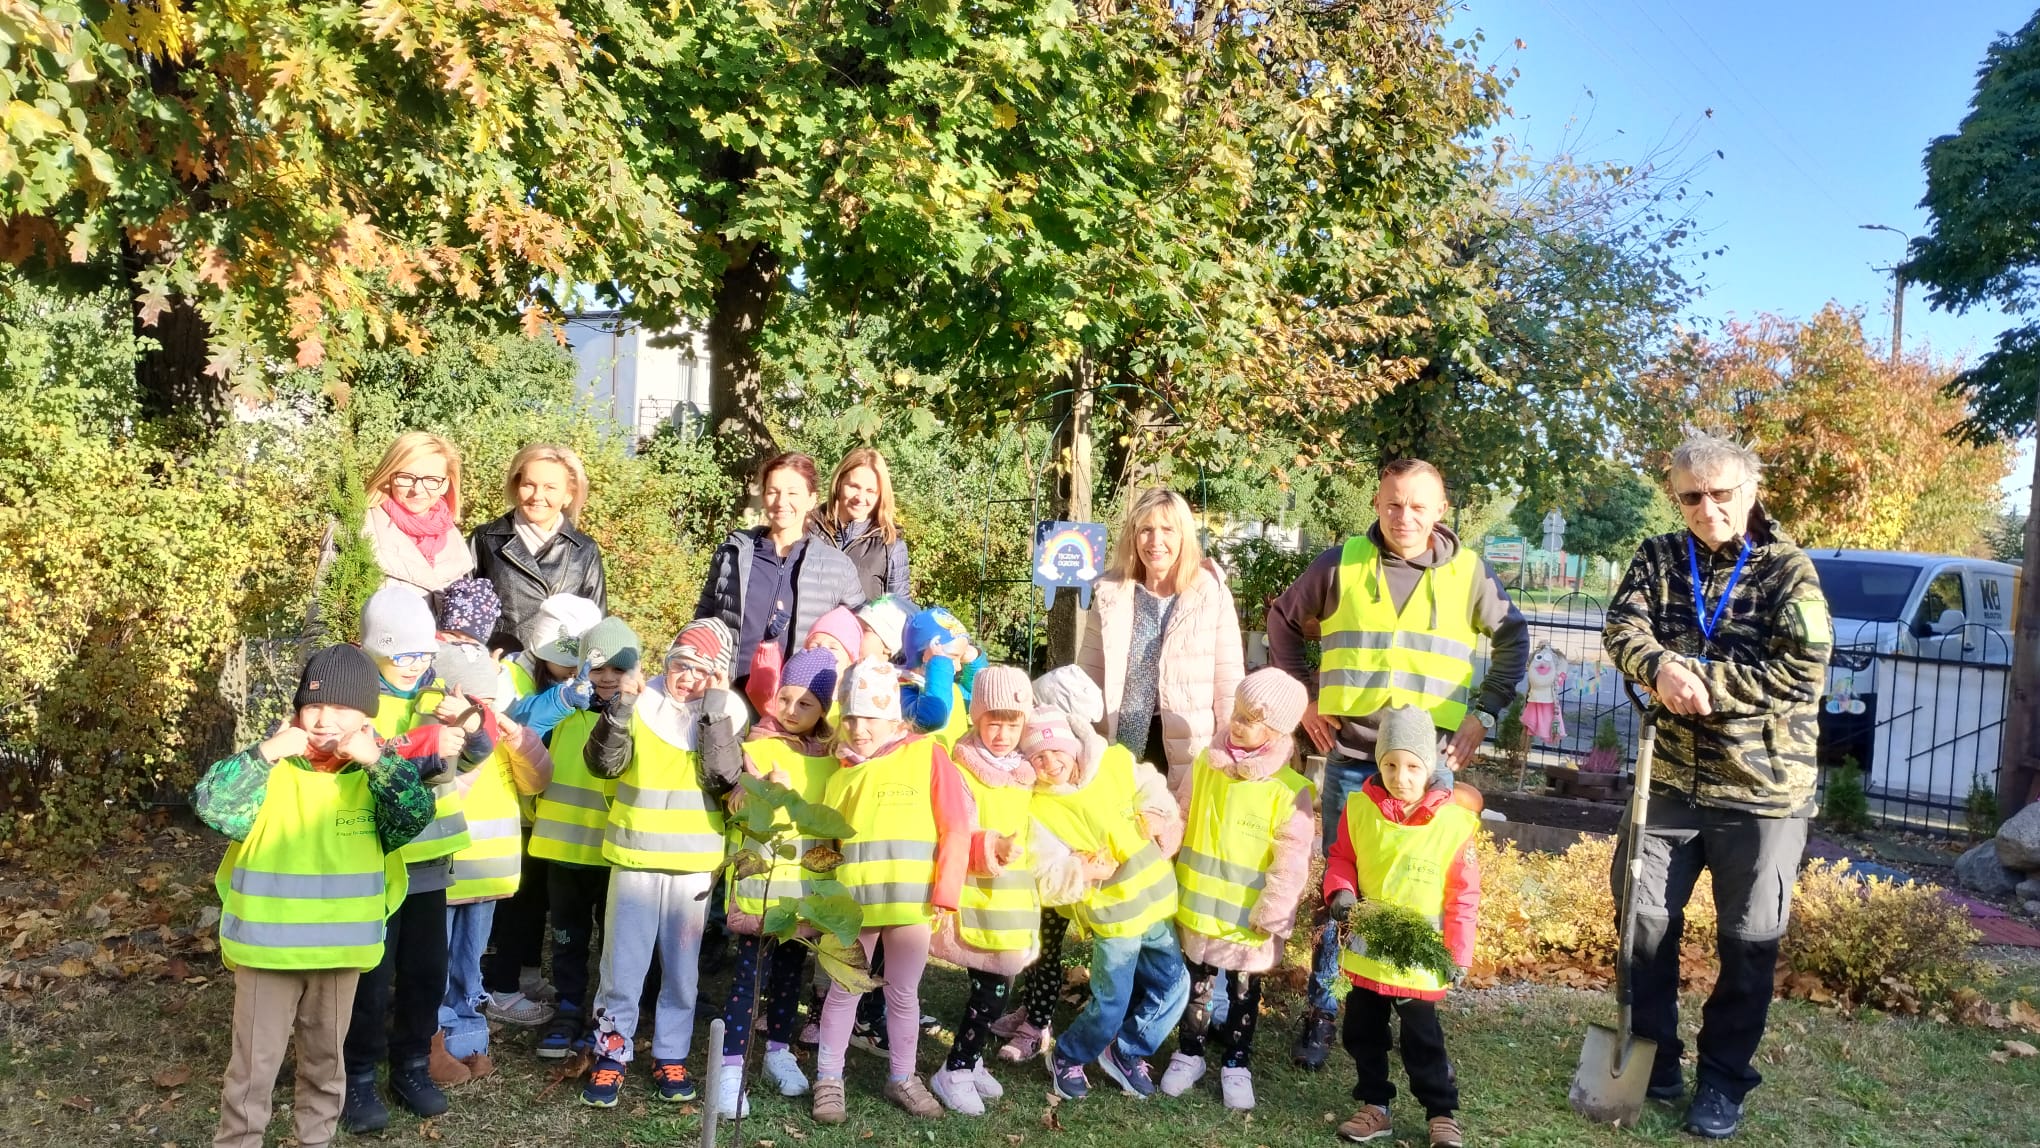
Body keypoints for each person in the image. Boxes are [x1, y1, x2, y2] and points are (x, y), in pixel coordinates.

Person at [1601, 432, 1830, 1140]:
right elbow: (1620, 626)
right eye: (1690, 496)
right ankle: (1654, 1059)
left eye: (1721, 493)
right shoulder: (1659, 557)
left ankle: (1723, 1082)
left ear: (1751, 490)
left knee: (1749, 940)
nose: (1706, 509)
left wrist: (1704, 683)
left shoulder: (1789, 571)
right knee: (1642, 924)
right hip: (1668, 781)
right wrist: (1657, 667)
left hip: (1762, 794)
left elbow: (1804, 674)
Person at [1268, 458, 1526, 1070]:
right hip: (1355, 759)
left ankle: (1414, 999)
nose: (1403, 517)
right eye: (1392, 504)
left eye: (1417, 506)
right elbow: (1282, 620)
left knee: (1420, 888)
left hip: (1429, 768)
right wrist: (1303, 696)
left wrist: (1483, 714)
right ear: (1377, 504)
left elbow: (1513, 638)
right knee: (1343, 887)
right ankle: (1324, 1008)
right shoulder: (1339, 564)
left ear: (1441, 511)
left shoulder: (1468, 573)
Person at [196, 645, 434, 1148]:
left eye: (342, 709)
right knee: (253, 1070)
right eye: (314, 706)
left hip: (339, 956)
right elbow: (213, 807)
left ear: (366, 717)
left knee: (327, 1063)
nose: (324, 720)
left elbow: (414, 814)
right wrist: (267, 752)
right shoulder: (270, 773)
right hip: (266, 954)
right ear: (297, 710)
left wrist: (379, 762)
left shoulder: (374, 779)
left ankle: (315, 1140)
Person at [579, 619, 748, 1107]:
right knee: (622, 966)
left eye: (701, 671)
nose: (687, 678)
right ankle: (611, 1053)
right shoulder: (640, 704)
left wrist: (714, 713)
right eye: (680, 665)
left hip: (692, 865)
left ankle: (670, 1054)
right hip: (634, 858)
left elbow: (722, 776)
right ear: (665, 663)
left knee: (681, 970)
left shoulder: (726, 715)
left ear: (716, 677)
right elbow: (603, 764)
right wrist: (620, 708)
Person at [342, 588, 483, 1133]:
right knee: (371, 978)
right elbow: (363, 758)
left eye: (422, 654)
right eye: (400, 656)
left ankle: (413, 1065)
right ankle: (357, 1076)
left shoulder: (438, 693)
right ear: (372, 651)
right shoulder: (355, 700)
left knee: (426, 972)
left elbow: (476, 750)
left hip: (428, 864)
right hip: (377, 861)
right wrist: (424, 745)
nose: (413, 666)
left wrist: (469, 726)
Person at [810, 658, 970, 1124]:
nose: (860, 729)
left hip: (911, 904)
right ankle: (828, 1079)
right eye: (852, 717)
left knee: (904, 993)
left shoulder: (927, 754)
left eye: (872, 718)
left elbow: (955, 825)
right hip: (851, 910)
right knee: (843, 990)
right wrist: (823, 903)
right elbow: (825, 845)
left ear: (895, 719)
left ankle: (902, 1076)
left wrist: (946, 893)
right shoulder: (840, 776)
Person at [1159, 668, 1315, 1111]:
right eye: (1237, 713)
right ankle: (1190, 1052)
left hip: (1250, 919)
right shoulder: (1206, 767)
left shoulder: (1289, 791)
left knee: (1245, 992)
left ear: (1276, 730)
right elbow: (1182, 815)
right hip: (1199, 909)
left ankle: (1236, 1061)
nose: (1238, 723)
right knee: (1198, 986)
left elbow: (1291, 862)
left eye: (1250, 719)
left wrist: (1275, 912)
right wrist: (1161, 838)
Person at [1325, 707, 1480, 1148]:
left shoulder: (1453, 823)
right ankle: (1375, 1105)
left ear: (1429, 766)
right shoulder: (1359, 809)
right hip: (1368, 954)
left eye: (1412, 766)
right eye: (1390, 764)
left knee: (1422, 1041)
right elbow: (1341, 859)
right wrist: (1340, 892)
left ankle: (1440, 1112)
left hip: (1419, 962)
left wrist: (1457, 953)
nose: (1401, 776)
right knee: (1362, 1034)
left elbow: (1463, 895)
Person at [1025, 706, 1187, 1103]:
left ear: (1074, 746)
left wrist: (1156, 811)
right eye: (1038, 758)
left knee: (1176, 984)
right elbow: (1047, 875)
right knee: (1111, 1004)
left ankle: (1127, 1050)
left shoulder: (1113, 761)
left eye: (1056, 752)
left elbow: (1151, 784)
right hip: (1114, 916)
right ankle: (1067, 1056)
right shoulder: (1039, 809)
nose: (1050, 763)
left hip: (1152, 904)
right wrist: (1082, 870)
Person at [712, 647, 842, 1117]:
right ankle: (731, 1068)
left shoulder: (833, 759)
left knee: (791, 975)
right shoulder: (754, 746)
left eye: (806, 704)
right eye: (785, 698)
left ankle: (779, 1050)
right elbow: (735, 808)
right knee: (749, 980)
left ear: (824, 710)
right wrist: (760, 785)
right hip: (760, 890)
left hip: (806, 893)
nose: (791, 711)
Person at [524, 616, 641, 1061]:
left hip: (616, 853)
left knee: (614, 942)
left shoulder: (640, 716)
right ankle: (569, 1008)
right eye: (598, 668)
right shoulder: (563, 710)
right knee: (569, 937)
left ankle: (609, 1016)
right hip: (563, 849)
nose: (608, 678)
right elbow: (525, 730)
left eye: (618, 668)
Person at [433, 640, 553, 1070]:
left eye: (488, 697)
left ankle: (468, 1034)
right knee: (437, 960)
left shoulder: (502, 730)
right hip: (446, 871)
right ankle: (436, 1036)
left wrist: (521, 740)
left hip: (488, 872)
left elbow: (536, 782)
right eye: (473, 698)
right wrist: (470, 747)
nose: (482, 707)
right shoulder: (438, 730)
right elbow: (440, 787)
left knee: (470, 958)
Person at [926, 666, 1039, 1115]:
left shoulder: (1024, 771)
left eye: (1013, 724)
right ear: (975, 717)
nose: (1003, 733)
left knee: (998, 985)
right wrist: (993, 845)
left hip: (1012, 898)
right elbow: (956, 828)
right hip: (977, 894)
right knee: (990, 990)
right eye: (994, 721)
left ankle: (969, 1063)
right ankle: (955, 1067)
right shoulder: (963, 769)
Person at [1079, 488, 1244, 793]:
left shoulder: (1210, 594)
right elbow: (1087, 677)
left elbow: (1228, 683)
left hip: (1189, 750)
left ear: (1183, 536)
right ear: (1133, 536)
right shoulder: (1110, 592)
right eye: (1146, 530)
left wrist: (1233, 752)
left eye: (1167, 530)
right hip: (1120, 749)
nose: (1156, 541)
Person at [695, 451, 866, 705]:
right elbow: (703, 621)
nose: (781, 501)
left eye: (792, 493)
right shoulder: (734, 554)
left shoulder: (837, 566)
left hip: (798, 707)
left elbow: (858, 633)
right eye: (773, 491)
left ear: (811, 499)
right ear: (763, 496)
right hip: (729, 696)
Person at [470, 443, 607, 654]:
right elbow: (461, 613)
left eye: (550, 487)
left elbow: (597, 625)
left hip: (560, 672)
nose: (537, 496)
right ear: (516, 487)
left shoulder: (584, 551)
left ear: (568, 495)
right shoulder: (485, 540)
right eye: (529, 485)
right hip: (500, 668)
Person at [362, 432, 476, 598]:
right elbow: (325, 611)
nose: (418, 490)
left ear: (446, 483)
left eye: (431, 479)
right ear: (389, 476)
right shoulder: (358, 528)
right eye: (406, 477)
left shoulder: (452, 536)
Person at [816, 447, 912, 599]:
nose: (860, 497)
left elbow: (899, 611)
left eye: (870, 491)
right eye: (854, 486)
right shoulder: (809, 528)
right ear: (839, 483)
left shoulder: (890, 546)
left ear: (880, 495)